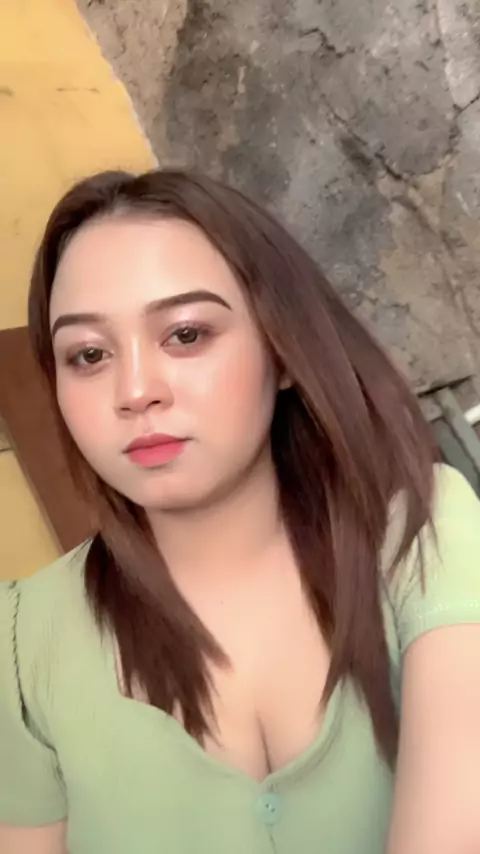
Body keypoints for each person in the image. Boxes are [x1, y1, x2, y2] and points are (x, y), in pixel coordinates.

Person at [1, 169, 480, 854]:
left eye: (186, 334)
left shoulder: (423, 534)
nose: (135, 390)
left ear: (282, 352)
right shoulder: (21, 648)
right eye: (89, 354)